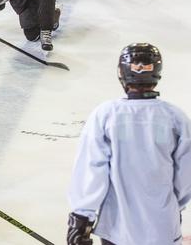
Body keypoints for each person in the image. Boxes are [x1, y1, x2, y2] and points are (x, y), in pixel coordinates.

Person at [67, 43, 191, 245]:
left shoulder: (106, 115)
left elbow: (92, 168)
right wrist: (172, 205)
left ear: (121, 72)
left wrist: (81, 218)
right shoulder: (176, 119)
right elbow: (186, 176)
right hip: (162, 227)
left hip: (117, 228)